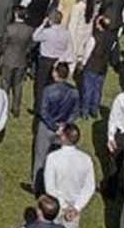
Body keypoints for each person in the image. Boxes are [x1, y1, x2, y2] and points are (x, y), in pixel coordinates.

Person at [43, 123, 95, 228]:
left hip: (57, 205)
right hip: (73, 207)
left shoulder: (53, 158)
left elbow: (49, 187)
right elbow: (89, 187)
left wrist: (64, 205)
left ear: (64, 137)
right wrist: (76, 207)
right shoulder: (86, 159)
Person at [31, 63, 79, 191]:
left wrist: (54, 126)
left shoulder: (48, 90)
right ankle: (55, 185)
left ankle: (37, 185)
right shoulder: (74, 91)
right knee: (58, 158)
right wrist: (64, 126)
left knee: (40, 157)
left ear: (55, 74)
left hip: (47, 127)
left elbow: (43, 111)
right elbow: (75, 112)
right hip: (63, 128)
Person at [31, 10, 76, 112]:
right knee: (54, 86)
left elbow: (35, 37)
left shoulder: (47, 32)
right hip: (58, 60)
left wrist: (42, 25)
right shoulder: (66, 33)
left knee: (40, 86)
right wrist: (62, 58)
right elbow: (69, 49)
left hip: (45, 61)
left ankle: (39, 107)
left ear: (50, 20)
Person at [1, 7, 34, 117]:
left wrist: (5, 52)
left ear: (16, 14)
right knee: (18, 85)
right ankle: (16, 109)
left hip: (8, 59)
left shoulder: (9, 28)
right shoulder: (29, 29)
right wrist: (26, 51)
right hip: (21, 60)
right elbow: (31, 44)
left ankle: (3, 107)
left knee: (5, 84)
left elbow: (3, 43)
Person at [81, 16, 114, 118]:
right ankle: (94, 110)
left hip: (92, 66)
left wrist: (83, 64)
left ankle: (85, 111)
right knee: (97, 89)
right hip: (102, 67)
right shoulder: (112, 38)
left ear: (99, 25)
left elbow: (87, 53)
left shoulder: (94, 37)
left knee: (88, 89)